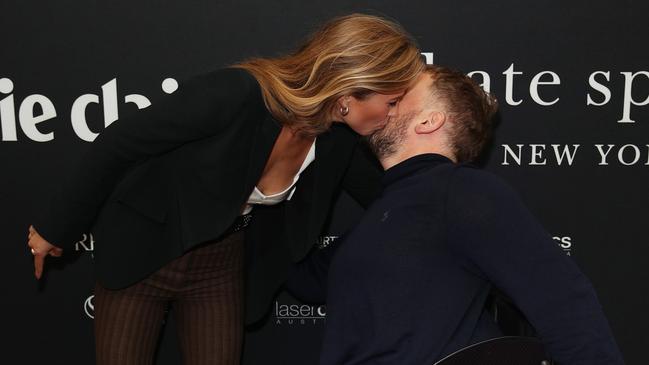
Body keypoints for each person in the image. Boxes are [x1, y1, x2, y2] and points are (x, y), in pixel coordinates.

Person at [26, 13, 426, 364]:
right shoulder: (238, 94)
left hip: (221, 264)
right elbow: (119, 145)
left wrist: (449, 207)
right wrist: (56, 228)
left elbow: (387, 194)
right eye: (391, 103)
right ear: (349, 90)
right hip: (145, 249)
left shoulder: (337, 139)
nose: (393, 116)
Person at [286, 65, 625, 365]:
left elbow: (563, 302)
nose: (384, 97)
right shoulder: (383, 209)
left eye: (399, 95)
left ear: (430, 120)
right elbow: (304, 280)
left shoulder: (463, 191)